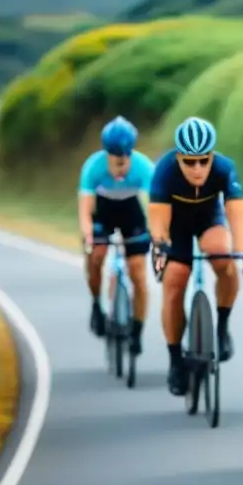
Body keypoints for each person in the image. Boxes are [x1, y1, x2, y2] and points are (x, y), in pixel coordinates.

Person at [148, 116, 243, 396]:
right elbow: (159, 221)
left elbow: (236, 213)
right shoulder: (165, 170)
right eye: (189, 162)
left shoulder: (224, 168)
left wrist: (241, 252)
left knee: (224, 258)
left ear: (212, 156)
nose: (198, 168)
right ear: (178, 157)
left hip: (208, 219)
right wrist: (160, 245)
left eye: (204, 160)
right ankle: (175, 359)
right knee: (175, 279)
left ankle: (222, 327)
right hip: (175, 224)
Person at [77, 116, 155, 355]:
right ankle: (96, 304)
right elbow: (85, 210)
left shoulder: (144, 166)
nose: (121, 164)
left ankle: (137, 331)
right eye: (115, 159)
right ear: (106, 154)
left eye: (125, 158)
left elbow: (155, 207)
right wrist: (88, 235)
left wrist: (156, 232)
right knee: (96, 255)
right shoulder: (94, 166)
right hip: (104, 210)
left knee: (138, 273)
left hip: (132, 211)